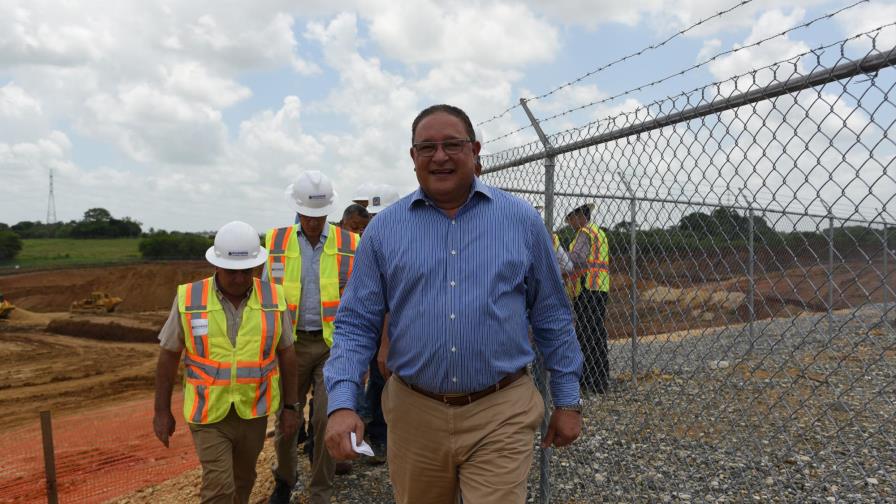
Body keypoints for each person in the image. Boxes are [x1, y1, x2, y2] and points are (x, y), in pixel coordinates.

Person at [323, 104, 584, 504]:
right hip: (414, 413)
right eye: (427, 147)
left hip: (501, 409)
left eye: (452, 145)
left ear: (475, 150)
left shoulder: (521, 221)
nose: (440, 156)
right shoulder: (384, 232)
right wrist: (342, 403)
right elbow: (356, 324)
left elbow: (551, 315)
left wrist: (567, 400)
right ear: (413, 158)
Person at [153, 221, 299, 504]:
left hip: (252, 411)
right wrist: (161, 411)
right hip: (208, 413)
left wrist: (291, 406)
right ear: (216, 265)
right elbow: (169, 354)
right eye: (232, 271)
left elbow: (287, 353)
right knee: (219, 488)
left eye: (248, 271)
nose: (240, 278)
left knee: (243, 482)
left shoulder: (273, 298)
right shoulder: (189, 298)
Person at [267, 170, 361, 504]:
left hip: (332, 345)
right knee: (287, 416)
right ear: (297, 209)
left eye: (318, 216)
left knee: (324, 416)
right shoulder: (275, 242)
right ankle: (285, 478)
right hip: (289, 344)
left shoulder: (351, 244)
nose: (312, 222)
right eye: (307, 215)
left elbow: (361, 297)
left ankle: (321, 489)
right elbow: (266, 294)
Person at [565, 203, 610, 393]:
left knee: (588, 335)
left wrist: (557, 255)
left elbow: (577, 258)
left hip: (589, 288)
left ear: (579, 217)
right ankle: (597, 378)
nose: (571, 224)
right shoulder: (598, 232)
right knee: (594, 333)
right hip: (599, 288)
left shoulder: (584, 233)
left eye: (571, 219)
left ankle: (593, 380)